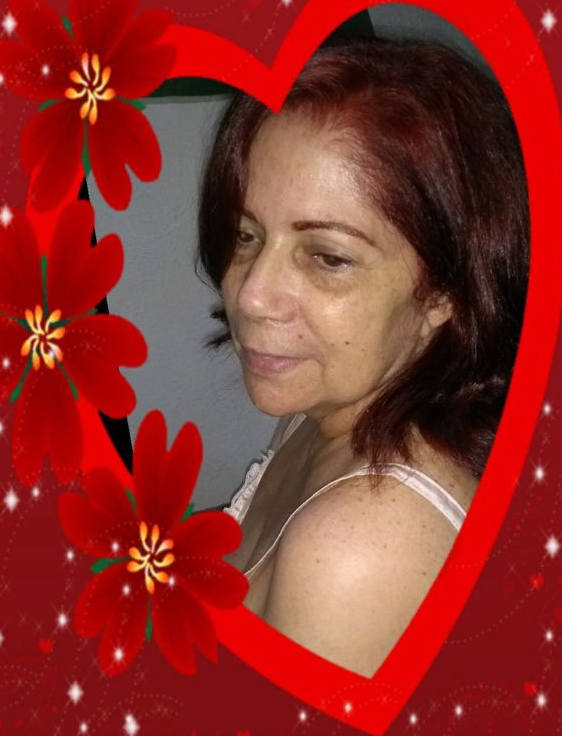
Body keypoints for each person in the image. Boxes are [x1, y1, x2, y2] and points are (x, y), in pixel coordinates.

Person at [197, 38, 529, 676]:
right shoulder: (327, 408)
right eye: (246, 235)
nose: (250, 295)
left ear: (445, 292)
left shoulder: (358, 546)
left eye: (328, 257)